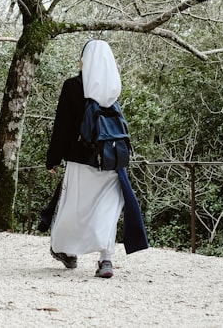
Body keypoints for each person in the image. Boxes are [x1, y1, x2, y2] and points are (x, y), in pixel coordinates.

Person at [45, 39, 148, 276]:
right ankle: (106, 259)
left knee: (75, 207)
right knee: (108, 208)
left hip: (81, 160)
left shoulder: (73, 86)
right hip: (112, 160)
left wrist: (53, 158)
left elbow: (62, 127)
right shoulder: (112, 89)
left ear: (85, 60)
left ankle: (68, 251)